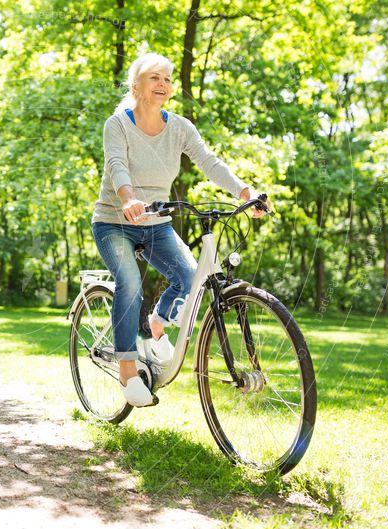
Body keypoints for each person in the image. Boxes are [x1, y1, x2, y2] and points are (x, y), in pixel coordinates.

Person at [92, 52, 263, 407]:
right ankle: (128, 370)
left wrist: (243, 191)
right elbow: (116, 165)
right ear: (136, 85)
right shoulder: (118, 124)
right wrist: (127, 198)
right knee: (131, 283)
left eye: (168, 79)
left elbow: (208, 161)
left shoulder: (180, 127)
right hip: (114, 222)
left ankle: (157, 324)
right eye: (155, 78)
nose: (163, 85)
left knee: (190, 277)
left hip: (156, 223)